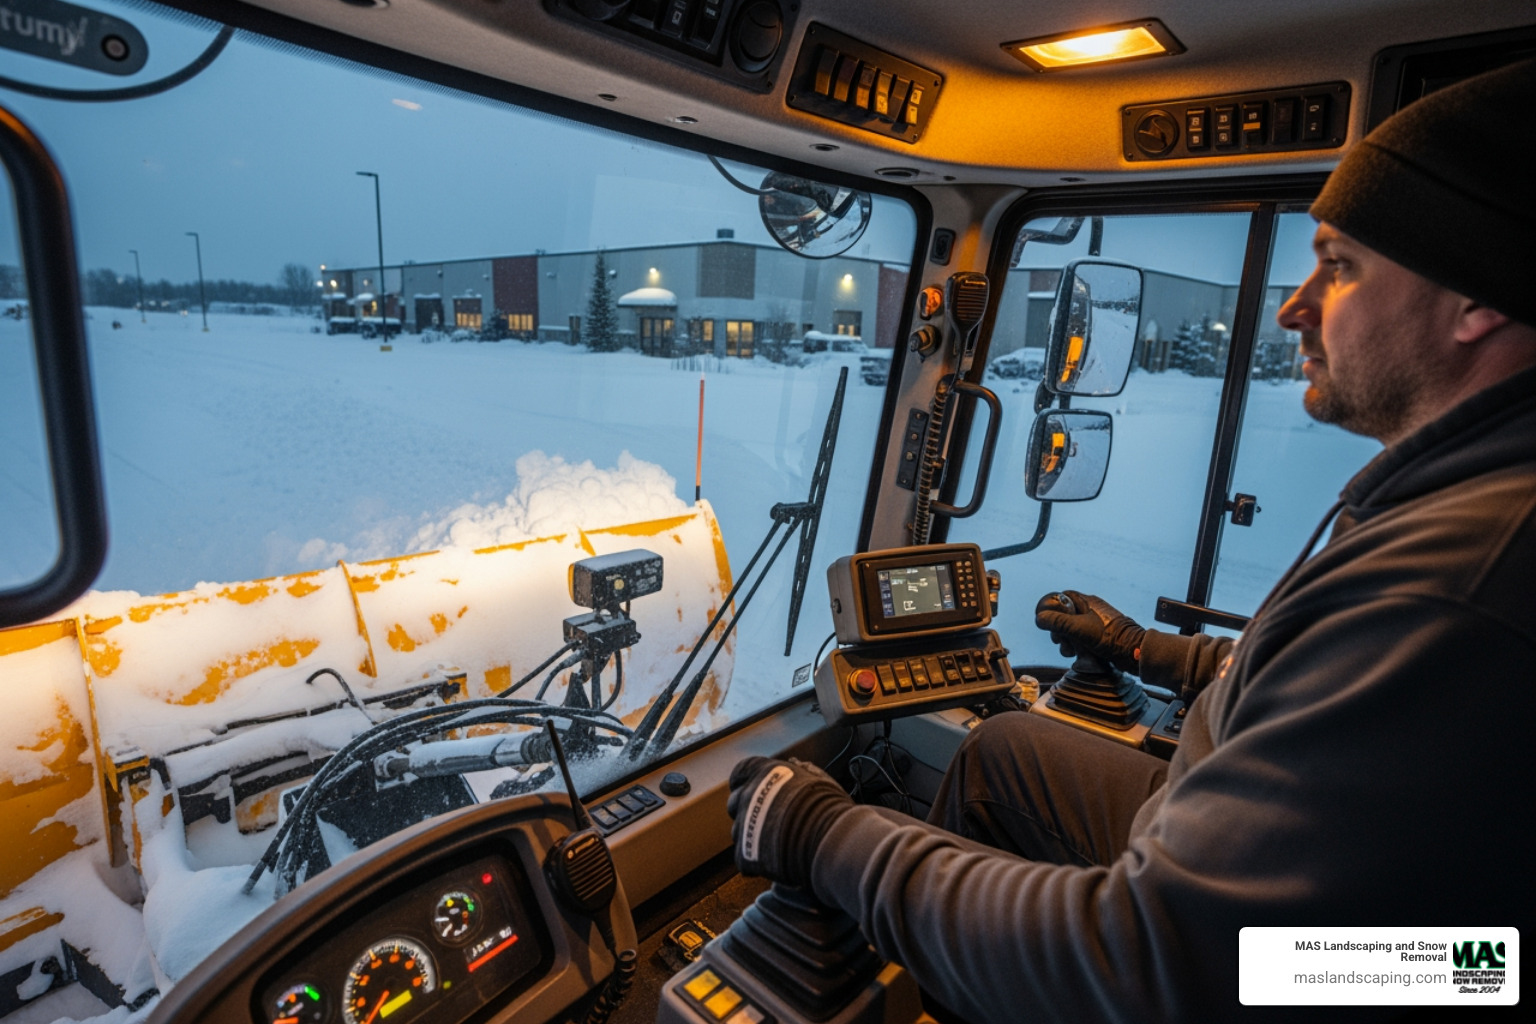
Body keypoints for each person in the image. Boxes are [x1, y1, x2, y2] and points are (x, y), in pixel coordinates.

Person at [726, 57, 1536, 1024]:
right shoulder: (1465, 497)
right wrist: (1152, 652)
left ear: (1477, 297)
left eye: (1342, 266)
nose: (1295, 305)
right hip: (1442, 955)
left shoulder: (1456, 586)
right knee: (1006, 748)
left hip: (1369, 971)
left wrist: (828, 837)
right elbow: (1329, 677)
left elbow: (1155, 960)